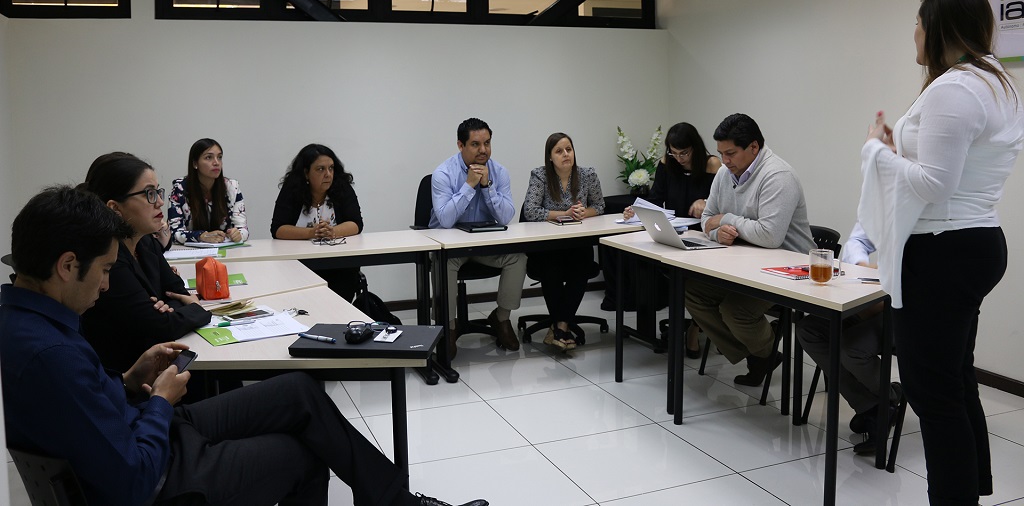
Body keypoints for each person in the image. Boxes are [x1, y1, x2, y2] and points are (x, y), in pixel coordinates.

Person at [0, 185, 488, 506]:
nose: (106, 285)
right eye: (104, 271)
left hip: (146, 430)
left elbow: (90, 408)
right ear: (67, 265)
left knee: (298, 389)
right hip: (158, 472)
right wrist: (160, 402)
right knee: (301, 454)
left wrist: (129, 381)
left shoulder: (35, 322)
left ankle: (394, 501)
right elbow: (132, 480)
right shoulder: (50, 354)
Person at [859, 0, 1023, 506]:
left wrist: (877, 153)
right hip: (973, 243)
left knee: (932, 393)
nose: (913, 32)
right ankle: (970, 490)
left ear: (939, 27)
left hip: (943, 250)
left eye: (917, 21)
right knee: (954, 379)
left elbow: (934, 184)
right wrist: (897, 154)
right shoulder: (995, 81)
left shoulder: (955, 88)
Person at [687, 113, 814, 386]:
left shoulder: (778, 176)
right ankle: (762, 351)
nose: (724, 160)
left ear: (754, 147)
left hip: (791, 269)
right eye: (721, 153)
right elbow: (707, 218)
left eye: (731, 153)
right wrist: (717, 232)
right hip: (747, 263)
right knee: (692, 291)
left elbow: (770, 236)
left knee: (736, 310)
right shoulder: (725, 174)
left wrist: (727, 219)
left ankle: (760, 352)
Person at [79, 152, 211, 372]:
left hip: (161, 361)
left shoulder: (145, 242)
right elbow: (160, 326)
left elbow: (177, 291)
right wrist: (195, 308)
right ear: (115, 208)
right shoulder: (109, 261)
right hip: (129, 376)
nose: (160, 202)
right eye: (149, 194)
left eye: (158, 191)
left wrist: (167, 310)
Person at [795, 222, 902, 455]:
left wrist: (889, 282)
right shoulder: (885, 205)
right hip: (872, 295)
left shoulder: (937, 214)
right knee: (809, 329)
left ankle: (882, 404)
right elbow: (857, 241)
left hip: (907, 311)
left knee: (852, 348)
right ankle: (879, 404)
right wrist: (863, 267)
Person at [622, 121, 722, 356]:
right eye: (673, 153)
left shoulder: (712, 165)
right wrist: (637, 210)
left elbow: (723, 203)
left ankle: (695, 328)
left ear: (695, 147)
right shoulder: (667, 163)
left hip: (705, 236)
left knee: (698, 280)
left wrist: (706, 202)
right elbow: (656, 200)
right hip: (675, 232)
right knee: (649, 265)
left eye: (684, 153)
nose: (679, 158)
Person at [429, 118, 526, 356]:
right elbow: (446, 220)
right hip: (449, 248)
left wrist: (487, 186)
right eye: (475, 144)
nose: (483, 150)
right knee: (444, 262)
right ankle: (448, 326)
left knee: (517, 257)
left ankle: (501, 318)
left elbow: (506, 217)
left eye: (487, 143)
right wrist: (469, 185)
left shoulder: (499, 172)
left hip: (484, 246)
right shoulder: (443, 174)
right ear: (460, 145)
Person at [522, 132, 605, 351]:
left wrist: (584, 213)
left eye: (569, 149)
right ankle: (562, 326)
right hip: (549, 245)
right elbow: (530, 211)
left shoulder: (587, 175)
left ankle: (559, 327)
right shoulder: (540, 176)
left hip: (578, 243)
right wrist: (563, 214)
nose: (566, 154)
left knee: (582, 266)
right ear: (550, 157)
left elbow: (599, 206)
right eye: (559, 151)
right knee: (552, 268)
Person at [271, 144, 364, 301]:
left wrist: (333, 231)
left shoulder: (342, 186)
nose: (328, 174)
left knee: (344, 280)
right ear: (306, 173)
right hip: (299, 264)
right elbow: (278, 229)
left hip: (338, 264)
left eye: (331, 168)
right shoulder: (291, 190)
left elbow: (356, 223)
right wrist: (311, 233)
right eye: (320, 169)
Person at [167, 137, 249, 245]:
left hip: (225, 250)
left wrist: (238, 234)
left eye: (219, 157)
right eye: (208, 157)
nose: (216, 162)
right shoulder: (180, 189)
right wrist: (201, 236)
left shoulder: (232, 187)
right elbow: (173, 233)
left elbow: (243, 229)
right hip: (190, 252)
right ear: (195, 163)